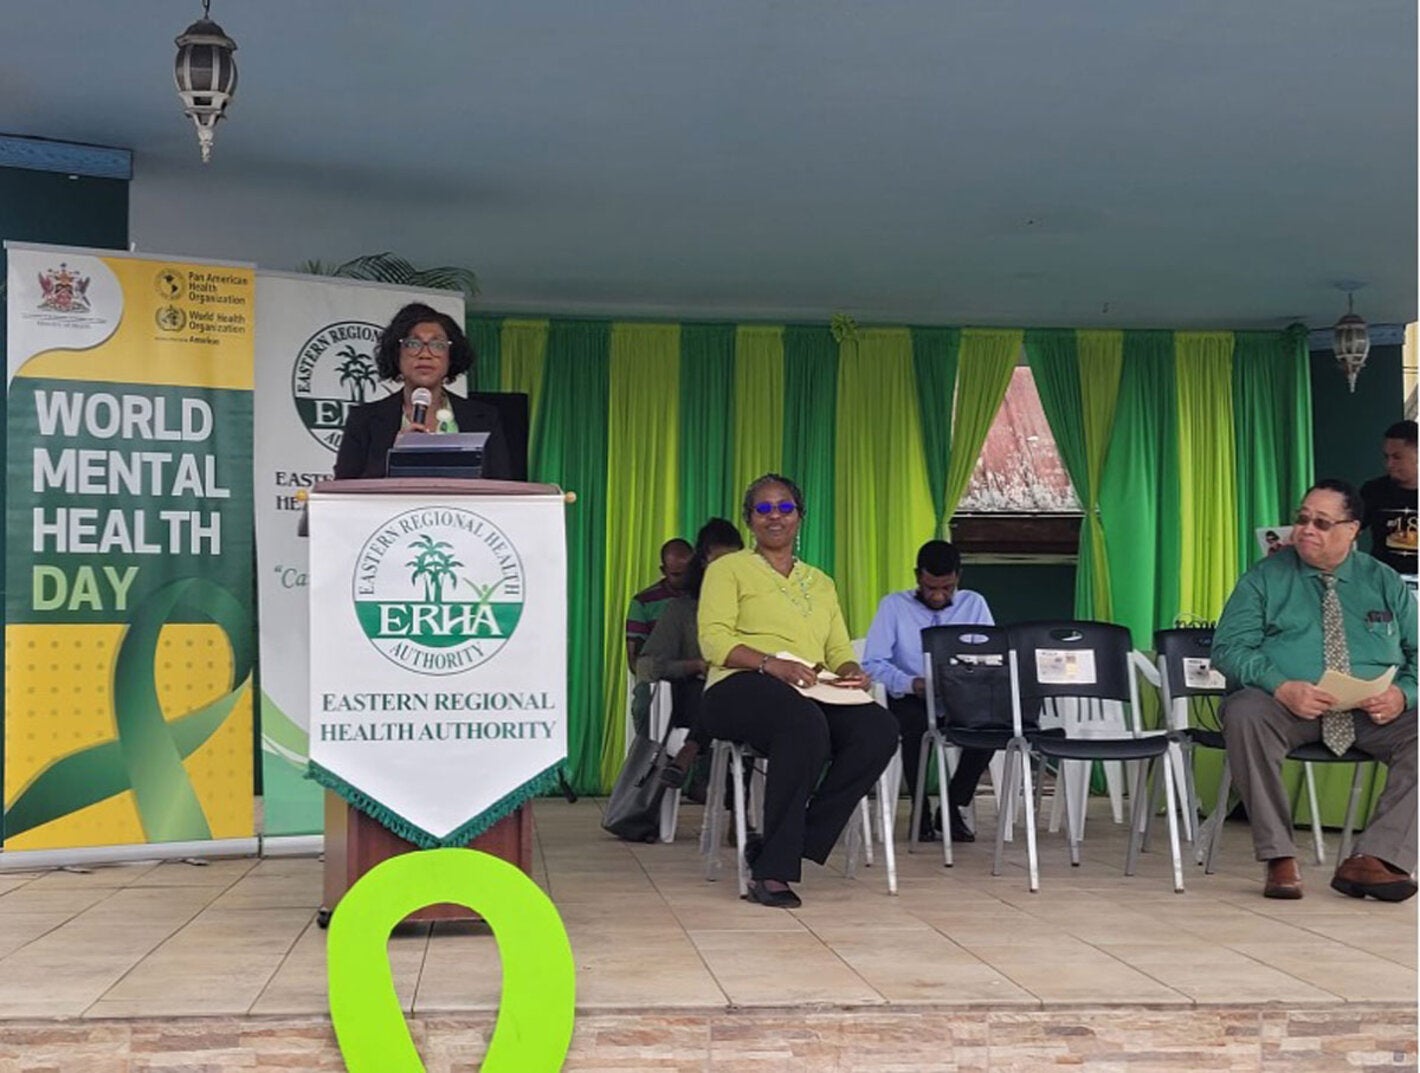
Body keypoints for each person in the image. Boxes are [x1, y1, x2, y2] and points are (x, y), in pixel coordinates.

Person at [697, 474, 899, 909]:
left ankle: (788, 841)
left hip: (810, 687)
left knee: (878, 728)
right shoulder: (727, 570)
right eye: (763, 509)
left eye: (785, 508)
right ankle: (772, 874)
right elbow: (713, 641)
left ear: (800, 517)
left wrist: (850, 672)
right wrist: (772, 664)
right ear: (749, 520)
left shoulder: (820, 582)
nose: (775, 517)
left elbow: (838, 649)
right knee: (801, 722)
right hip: (738, 685)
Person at [1213, 479, 1417, 902]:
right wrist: (1280, 686)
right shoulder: (1265, 577)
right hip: (1288, 708)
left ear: (1351, 530)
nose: (1306, 529)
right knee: (1244, 711)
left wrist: (1403, 694)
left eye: (1322, 523)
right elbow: (1229, 649)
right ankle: (1279, 856)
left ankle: (1376, 859)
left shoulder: (1383, 581)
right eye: (1302, 519)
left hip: (1370, 711)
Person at [862, 539, 994, 843]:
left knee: (990, 730)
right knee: (915, 727)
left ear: (958, 578)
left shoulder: (974, 604)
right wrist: (911, 683)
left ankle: (951, 806)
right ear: (917, 576)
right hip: (911, 696)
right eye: (930, 587)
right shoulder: (893, 606)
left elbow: (989, 657)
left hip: (960, 698)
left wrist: (964, 680)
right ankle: (919, 809)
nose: (937, 595)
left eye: (946, 588)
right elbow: (872, 663)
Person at [334, 302, 512, 480]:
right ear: (397, 354)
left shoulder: (485, 417)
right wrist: (396, 457)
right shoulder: (364, 419)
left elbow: (503, 484)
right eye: (413, 344)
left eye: (438, 345)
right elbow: (343, 489)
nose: (425, 354)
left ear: (451, 356)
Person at [632, 519, 745, 795]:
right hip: (696, 697)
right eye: (719, 565)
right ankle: (729, 795)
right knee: (709, 693)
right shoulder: (682, 610)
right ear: (703, 565)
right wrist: (693, 666)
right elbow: (645, 667)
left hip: (750, 697)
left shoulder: (756, 605)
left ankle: (691, 752)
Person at [1360, 419, 1418, 576]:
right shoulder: (1373, 490)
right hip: (1382, 582)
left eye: (1397, 457)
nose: (1389, 464)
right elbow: (1348, 529)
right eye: (1387, 457)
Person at [625, 540, 694, 665]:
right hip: (661, 677)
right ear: (663, 571)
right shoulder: (643, 603)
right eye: (677, 575)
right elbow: (635, 660)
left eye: (688, 572)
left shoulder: (705, 595)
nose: (685, 578)